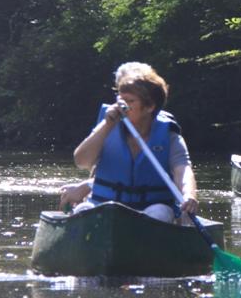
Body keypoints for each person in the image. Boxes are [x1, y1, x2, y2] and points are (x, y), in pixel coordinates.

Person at [70, 62, 198, 223]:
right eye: (120, 101)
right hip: (105, 204)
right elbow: (81, 162)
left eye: (129, 101)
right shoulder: (107, 126)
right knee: (84, 210)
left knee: (160, 213)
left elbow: (183, 171)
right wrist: (107, 125)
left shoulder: (169, 135)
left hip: (151, 207)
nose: (122, 107)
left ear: (150, 106)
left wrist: (189, 195)